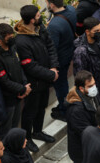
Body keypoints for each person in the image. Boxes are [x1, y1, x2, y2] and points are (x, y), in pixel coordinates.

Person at [15, 5, 59, 153]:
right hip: (34, 83)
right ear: (32, 20)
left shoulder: (40, 29)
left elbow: (50, 46)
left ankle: (38, 131)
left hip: (45, 79)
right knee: (30, 111)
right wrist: (50, 74)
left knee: (41, 107)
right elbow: (30, 67)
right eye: (38, 16)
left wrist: (53, 67)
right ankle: (27, 138)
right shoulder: (21, 41)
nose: (41, 17)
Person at [0, 23, 31, 138]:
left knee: (15, 126)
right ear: (1, 38)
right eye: (9, 37)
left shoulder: (13, 49)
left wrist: (25, 85)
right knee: (6, 129)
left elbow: (20, 68)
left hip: (18, 96)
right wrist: (22, 88)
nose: (12, 38)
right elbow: (4, 81)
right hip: (7, 99)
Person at [47, 0, 77, 121]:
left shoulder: (54, 25)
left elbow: (52, 47)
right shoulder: (71, 10)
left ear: (52, 5)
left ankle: (64, 110)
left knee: (61, 86)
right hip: (69, 52)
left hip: (60, 59)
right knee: (63, 83)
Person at [73, 17, 100, 101]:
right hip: (92, 87)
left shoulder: (99, 40)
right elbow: (80, 75)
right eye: (96, 31)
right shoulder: (80, 52)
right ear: (87, 31)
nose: (99, 33)